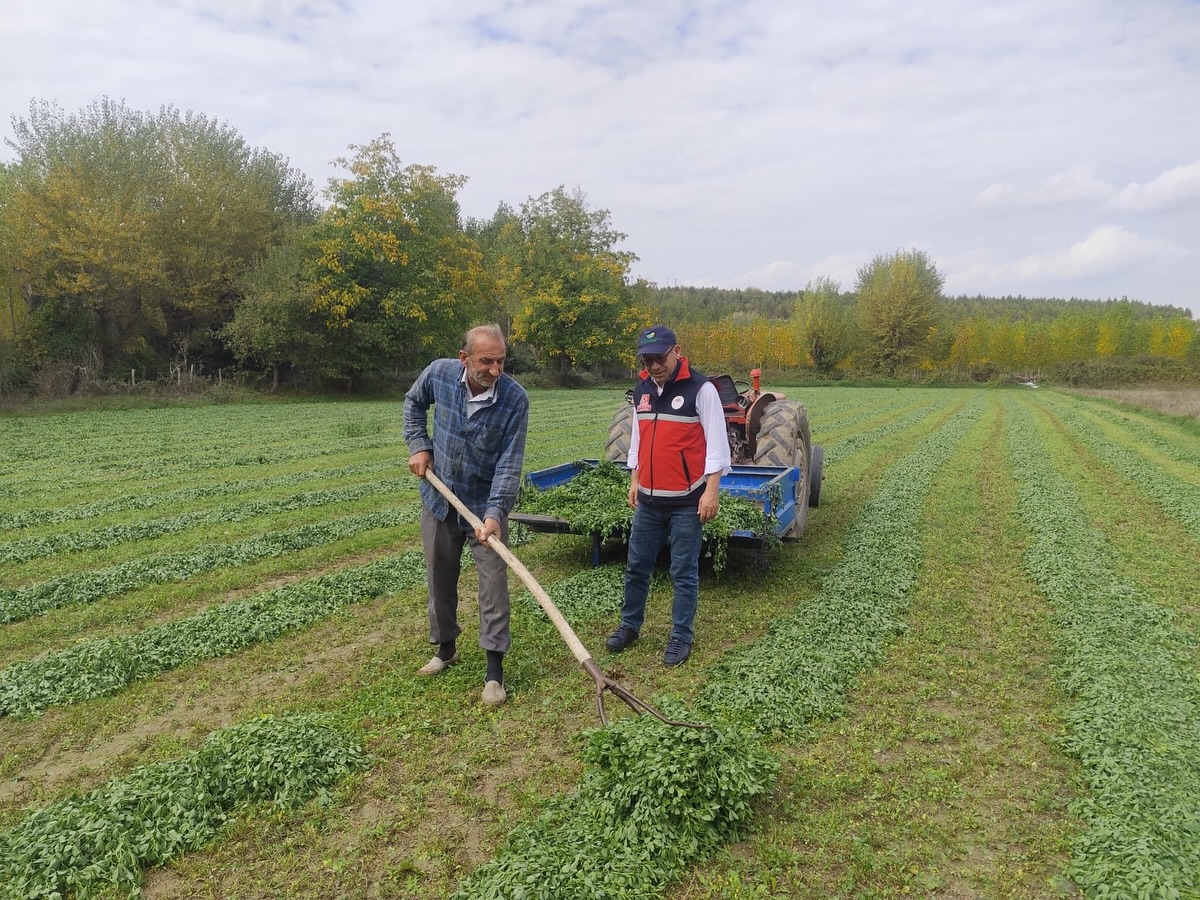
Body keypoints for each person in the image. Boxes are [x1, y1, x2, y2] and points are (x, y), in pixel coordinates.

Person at [403, 324, 529, 707]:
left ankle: (494, 671)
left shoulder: (514, 399)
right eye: (486, 361)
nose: (494, 370)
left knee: (493, 586)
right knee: (439, 574)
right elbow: (413, 402)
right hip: (439, 498)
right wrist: (419, 445)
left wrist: (494, 514)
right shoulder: (440, 374)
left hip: (484, 506)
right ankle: (446, 649)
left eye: (501, 361)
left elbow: (509, 465)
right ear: (464, 358)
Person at [605, 324, 731, 666]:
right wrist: (635, 478)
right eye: (647, 359)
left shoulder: (701, 390)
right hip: (647, 499)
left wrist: (711, 492)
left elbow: (717, 446)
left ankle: (680, 637)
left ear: (677, 351)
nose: (655, 365)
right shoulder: (642, 389)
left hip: (687, 502)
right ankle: (630, 626)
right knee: (636, 567)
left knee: (683, 571)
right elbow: (638, 439)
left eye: (660, 357)